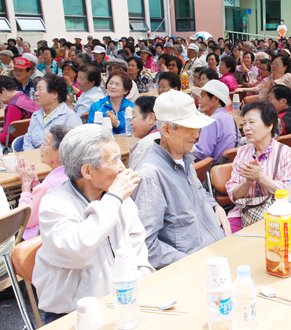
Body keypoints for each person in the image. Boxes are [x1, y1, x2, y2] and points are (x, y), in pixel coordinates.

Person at [33, 124, 154, 324]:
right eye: (115, 160)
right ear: (87, 171)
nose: (123, 167)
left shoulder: (120, 198)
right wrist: (114, 198)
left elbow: (139, 253)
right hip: (73, 314)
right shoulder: (55, 203)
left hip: (125, 303)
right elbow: (77, 249)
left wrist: (142, 291)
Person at [131, 90, 230, 269]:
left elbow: (199, 191)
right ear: (167, 130)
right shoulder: (151, 176)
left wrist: (216, 206)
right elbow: (146, 245)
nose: (197, 134)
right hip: (195, 269)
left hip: (218, 253)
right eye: (189, 128)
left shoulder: (185, 158)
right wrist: (191, 263)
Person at [225, 101, 291, 233]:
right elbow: (233, 194)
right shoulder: (242, 152)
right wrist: (247, 183)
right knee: (226, 239)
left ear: (270, 125)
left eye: (252, 122)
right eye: (245, 123)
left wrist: (260, 178)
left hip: (277, 214)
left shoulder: (287, 153)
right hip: (243, 213)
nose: (246, 128)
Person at [16, 125, 71, 240]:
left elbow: (26, 220)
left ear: (60, 154)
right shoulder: (72, 172)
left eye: (45, 144)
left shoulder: (47, 186)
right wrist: (36, 184)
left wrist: (25, 187)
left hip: (36, 240)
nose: (41, 147)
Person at [23, 74, 81, 150]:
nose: (36, 94)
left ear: (54, 94)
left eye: (40, 89)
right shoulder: (35, 115)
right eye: (36, 90)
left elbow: (73, 146)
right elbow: (28, 141)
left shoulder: (70, 116)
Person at [191, 80, 241, 164]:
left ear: (215, 99)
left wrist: (185, 149)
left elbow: (202, 153)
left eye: (202, 96)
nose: (199, 101)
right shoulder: (229, 117)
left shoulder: (211, 121)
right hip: (230, 168)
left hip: (215, 170)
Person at [0, 75, 40, 144]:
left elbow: (9, 135)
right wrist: (3, 129)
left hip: (17, 143)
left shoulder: (13, 107)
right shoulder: (25, 98)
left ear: (3, 90)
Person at [128, 96, 159, 169]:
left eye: (134, 117)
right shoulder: (169, 136)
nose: (131, 122)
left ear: (151, 118)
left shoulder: (144, 147)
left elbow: (135, 177)